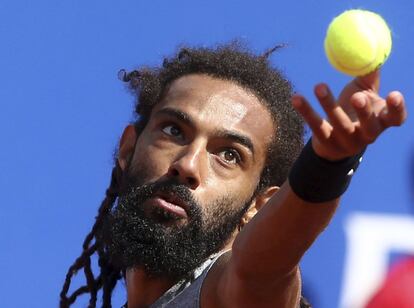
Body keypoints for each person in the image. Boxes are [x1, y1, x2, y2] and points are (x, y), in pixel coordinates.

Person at [60, 43, 407, 308]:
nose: (188, 165)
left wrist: (328, 163)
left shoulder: (231, 291)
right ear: (127, 150)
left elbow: (261, 267)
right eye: (174, 130)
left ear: (260, 205)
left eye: (229, 155)